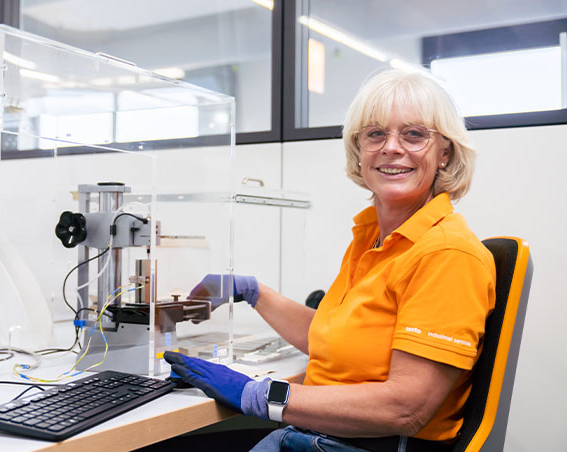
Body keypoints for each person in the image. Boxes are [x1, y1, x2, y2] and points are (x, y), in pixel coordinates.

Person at [163, 69, 496, 452]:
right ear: (358, 150)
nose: (391, 147)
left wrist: (257, 394)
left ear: (445, 153)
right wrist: (255, 292)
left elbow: (406, 409)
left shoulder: (445, 254)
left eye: (414, 134)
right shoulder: (374, 238)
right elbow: (334, 339)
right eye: (375, 134)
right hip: (326, 435)